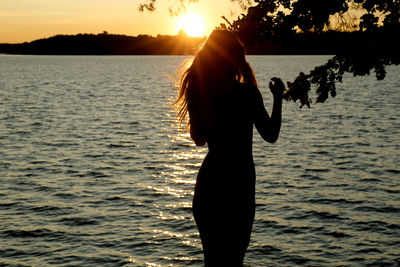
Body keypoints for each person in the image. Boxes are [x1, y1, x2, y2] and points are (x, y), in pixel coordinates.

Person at [175, 30, 284, 266]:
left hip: (210, 184)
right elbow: (271, 134)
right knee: (234, 260)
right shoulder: (248, 94)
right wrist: (277, 98)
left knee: (212, 261)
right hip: (239, 185)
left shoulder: (203, 92)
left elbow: (198, 139)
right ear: (237, 57)